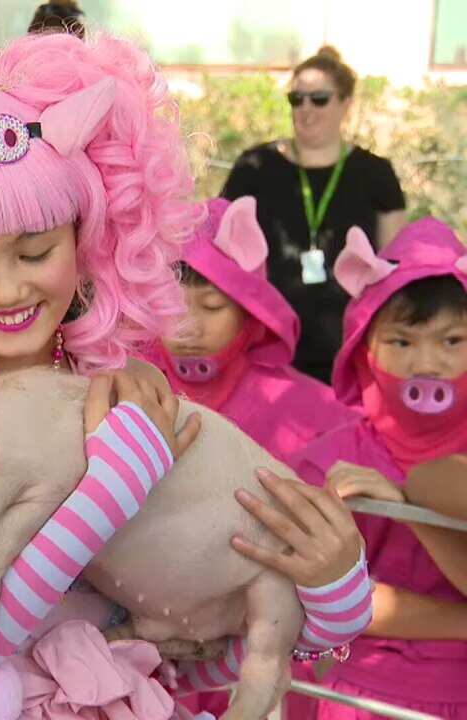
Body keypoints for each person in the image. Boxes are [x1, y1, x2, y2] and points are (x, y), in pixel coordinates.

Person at [0, 32, 372, 717]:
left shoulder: (115, 372)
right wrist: (110, 489)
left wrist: (335, 593)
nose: (5, 290)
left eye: (35, 252)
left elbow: (204, 651)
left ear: (84, 238)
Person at [289, 218, 467, 719]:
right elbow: (320, 593)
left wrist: (403, 504)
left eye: (452, 341)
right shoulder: (328, 461)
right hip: (360, 695)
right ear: (366, 350)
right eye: (402, 342)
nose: (427, 363)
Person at [222, 46, 406, 383]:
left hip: (348, 349)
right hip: (269, 345)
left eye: (319, 99)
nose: (306, 109)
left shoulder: (375, 173)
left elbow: (391, 267)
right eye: (297, 99)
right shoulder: (254, 167)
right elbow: (225, 253)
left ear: (346, 103)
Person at [147, 196, 359, 465]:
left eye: (212, 306)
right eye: (170, 307)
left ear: (249, 313)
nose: (190, 328)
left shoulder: (310, 408)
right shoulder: (129, 384)